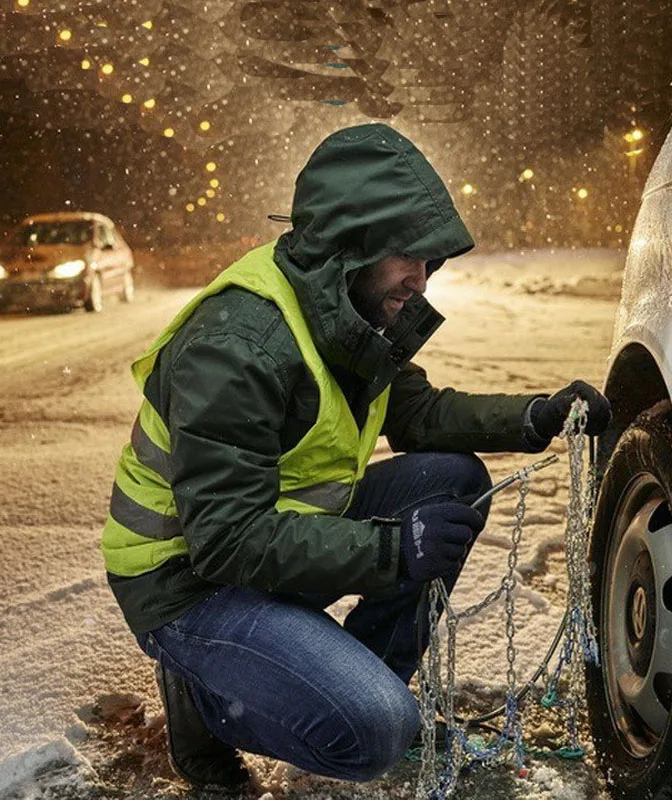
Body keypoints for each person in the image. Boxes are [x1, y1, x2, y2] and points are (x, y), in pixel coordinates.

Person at [101, 123, 611, 791]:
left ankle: (312, 676)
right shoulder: (239, 344)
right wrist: (393, 550)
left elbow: (421, 416)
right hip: (185, 581)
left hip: (267, 542)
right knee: (372, 730)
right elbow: (224, 540)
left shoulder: (351, 312)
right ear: (349, 249)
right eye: (407, 257)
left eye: (430, 261)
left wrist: (535, 415)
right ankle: (209, 693)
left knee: (451, 479)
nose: (420, 280)